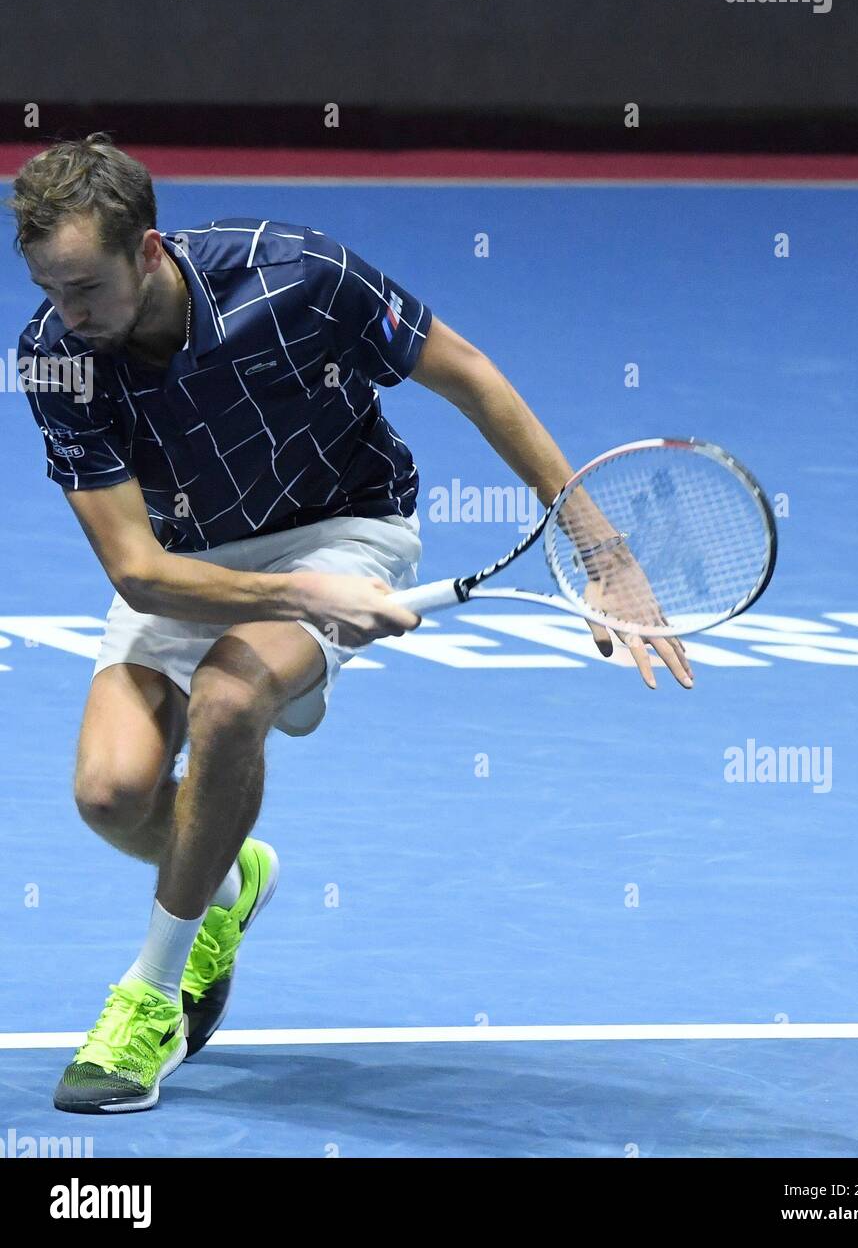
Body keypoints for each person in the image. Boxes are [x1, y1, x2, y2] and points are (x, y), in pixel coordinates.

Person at [8, 133, 692, 1114]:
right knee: (112, 794)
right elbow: (138, 572)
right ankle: (227, 872)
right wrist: (301, 600)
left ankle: (150, 996)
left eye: (85, 288)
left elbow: (470, 374)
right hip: (189, 563)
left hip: (343, 524)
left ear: (149, 250)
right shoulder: (56, 358)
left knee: (232, 694)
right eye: (50, 289)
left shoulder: (299, 276)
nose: (69, 315)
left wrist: (603, 551)